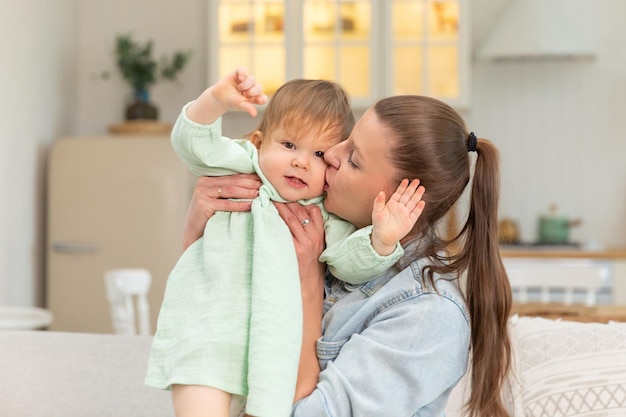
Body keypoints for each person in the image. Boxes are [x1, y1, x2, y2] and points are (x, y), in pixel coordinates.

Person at [185, 94, 513, 417]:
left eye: (354, 159)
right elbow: (210, 328)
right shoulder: (324, 236)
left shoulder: (427, 314)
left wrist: (308, 286)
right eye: (347, 140)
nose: (329, 154)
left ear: (405, 200)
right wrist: (199, 227)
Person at [145, 69, 426, 417]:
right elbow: (191, 142)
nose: (300, 161)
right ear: (260, 142)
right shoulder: (242, 167)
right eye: (290, 145)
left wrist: (382, 241)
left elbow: (351, 266)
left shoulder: (323, 217)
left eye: (319, 155)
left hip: (273, 349)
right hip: (209, 332)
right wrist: (213, 102)